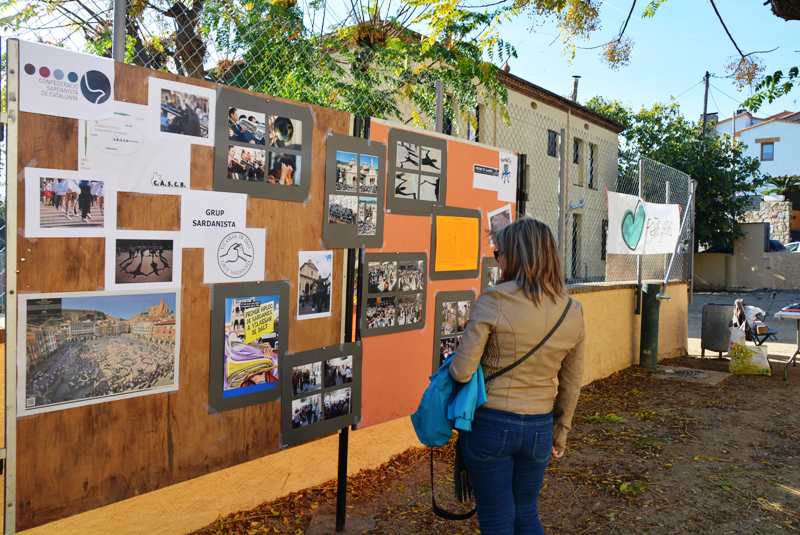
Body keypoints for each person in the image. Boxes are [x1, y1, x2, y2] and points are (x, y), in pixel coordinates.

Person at [449, 217, 586, 535]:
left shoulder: (494, 300)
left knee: (497, 517)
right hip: (539, 427)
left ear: (515, 255)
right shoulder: (572, 310)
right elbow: (572, 381)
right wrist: (561, 431)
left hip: (491, 424)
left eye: (499, 253)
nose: (497, 261)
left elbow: (462, 371)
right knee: (526, 512)